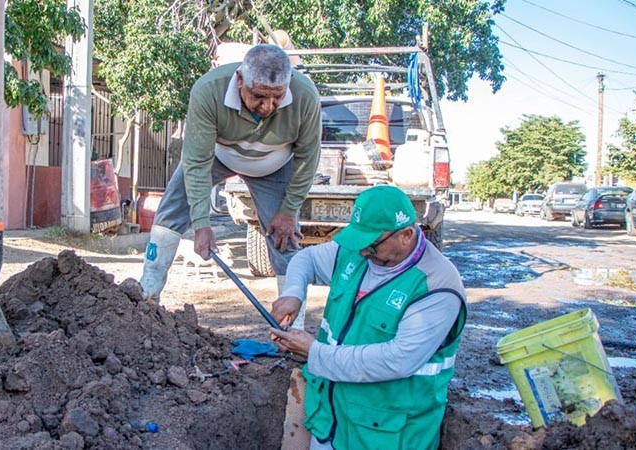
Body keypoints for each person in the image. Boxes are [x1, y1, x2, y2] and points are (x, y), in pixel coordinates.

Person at [269, 185, 467, 450]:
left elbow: (398, 360)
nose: (363, 252)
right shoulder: (358, 252)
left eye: (372, 243)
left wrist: (314, 352)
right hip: (331, 421)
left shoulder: (437, 286)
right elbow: (307, 259)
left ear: (406, 235)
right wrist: (293, 294)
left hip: (387, 435)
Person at [140, 44, 321, 305]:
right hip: (219, 155)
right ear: (239, 80)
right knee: (171, 209)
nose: (268, 106)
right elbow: (196, 163)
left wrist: (289, 210)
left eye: (277, 97)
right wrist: (201, 224)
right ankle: (147, 293)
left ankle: (292, 320)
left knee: (285, 237)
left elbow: (308, 158)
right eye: (259, 96)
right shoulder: (208, 90)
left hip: (275, 166)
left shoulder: (306, 96)